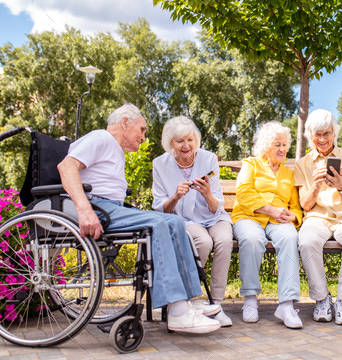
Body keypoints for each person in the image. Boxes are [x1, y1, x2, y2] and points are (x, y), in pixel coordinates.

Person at [57, 104, 222, 334]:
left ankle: (188, 301)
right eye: (142, 130)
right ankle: (177, 312)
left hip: (109, 207)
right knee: (157, 224)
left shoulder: (114, 149)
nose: (144, 138)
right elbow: (66, 167)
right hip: (96, 206)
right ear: (125, 122)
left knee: (173, 221)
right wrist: (84, 209)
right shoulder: (101, 138)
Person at [152, 116, 233, 327]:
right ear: (170, 143)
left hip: (214, 216)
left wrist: (207, 193)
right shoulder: (159, 164)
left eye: (190, 140)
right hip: (185, 219)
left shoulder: (208, 159)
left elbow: (216, 207)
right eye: (180, 141)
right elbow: (163, 209)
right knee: (203, 242)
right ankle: (187, 301)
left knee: (224, 240)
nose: (186, 146)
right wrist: (175, 197)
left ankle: (216, 303)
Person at [295, 109, 342, 325]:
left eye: (327, 133)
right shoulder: (303, 164)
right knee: (306, 242)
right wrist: (316, 186)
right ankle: (322, 299)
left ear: (334, 133)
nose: (323, 139)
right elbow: (305, 204)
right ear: (310, 136)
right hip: (317, 218)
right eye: (318, 134)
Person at [231, 121, 303, 329]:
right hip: (249, 215)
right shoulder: (251, 164)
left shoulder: (289, 174)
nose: (282, 149)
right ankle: (251, 299)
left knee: (290, 237)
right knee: (252, 239)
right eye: (276, 145)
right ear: (265, 146)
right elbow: (243, 193)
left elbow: (296, 207)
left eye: (284, 145)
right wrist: (270, 209)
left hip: (278, 221)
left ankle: (287, 305)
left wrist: (293, 217)